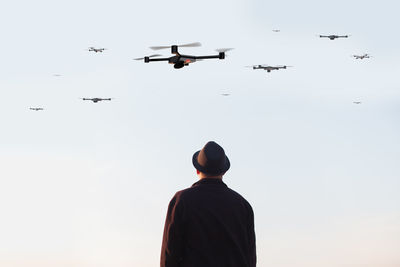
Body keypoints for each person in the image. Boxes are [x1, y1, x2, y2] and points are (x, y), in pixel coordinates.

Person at [160, 141, 256, 267]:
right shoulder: (243, 206)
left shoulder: (182, 201)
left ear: (197, 170)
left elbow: (170, 253)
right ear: (224, 172)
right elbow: (250, 258)